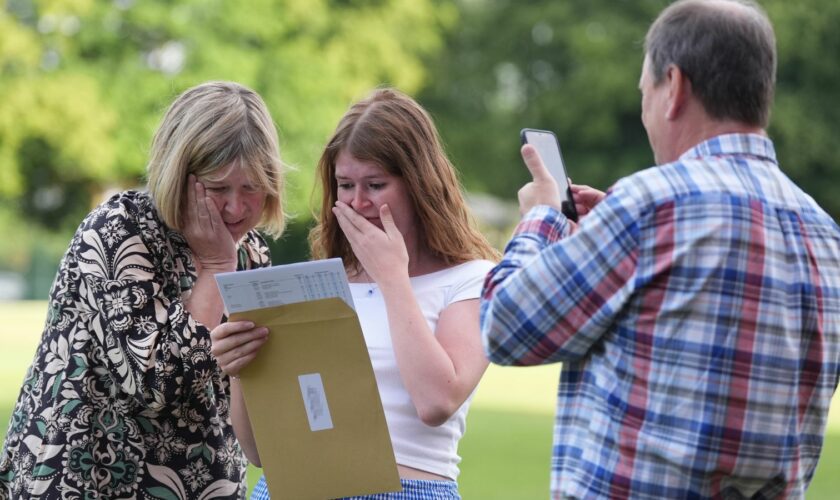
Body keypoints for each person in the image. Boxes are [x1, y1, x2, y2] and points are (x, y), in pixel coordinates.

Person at [480, 0, 840, 498]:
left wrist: (541, 216)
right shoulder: (823, 234)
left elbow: (504, 327)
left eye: (645, 92)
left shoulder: (653, 205)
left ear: (674, 87)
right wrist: (621, 227)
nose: (645, 110)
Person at [0, 81, 286, 499]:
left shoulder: (252, 252)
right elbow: (153, 384)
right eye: (218, 188)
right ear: (180, 175)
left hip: (203, 484)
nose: (236, 208)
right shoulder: (118, 231)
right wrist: (217, 268)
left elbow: (257, 396)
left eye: (251, 189)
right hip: (88, 480)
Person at [210, 87, 499, 499]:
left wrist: (392, 280)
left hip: (407, 488)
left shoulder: (473, 279)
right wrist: (240, 369)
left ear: (419, 185)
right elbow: (258, 450)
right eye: (345, 185)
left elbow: (437, 402)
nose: (358, 202)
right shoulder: (317, 282)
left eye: (376, 185)